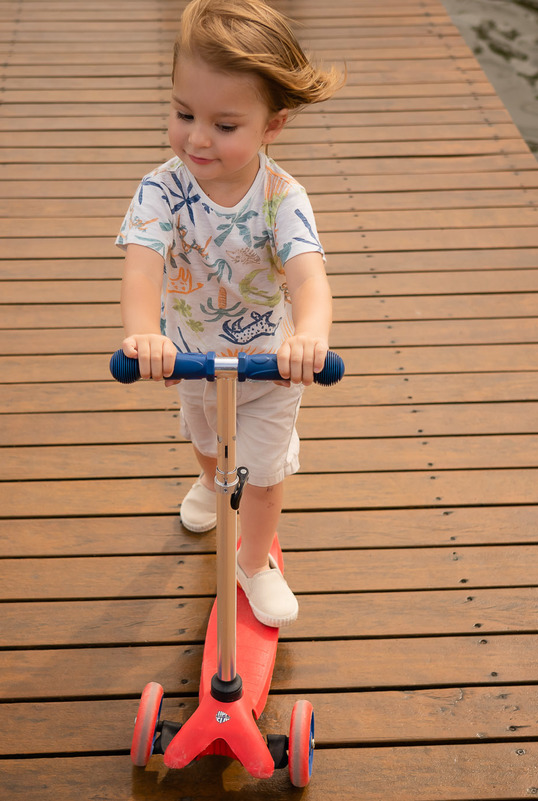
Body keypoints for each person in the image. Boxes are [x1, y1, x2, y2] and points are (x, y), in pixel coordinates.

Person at [116, 0, 344, 627]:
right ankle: (211, 486)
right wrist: (142, 335)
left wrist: (310, 338)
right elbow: (142, 269)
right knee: (208, 442)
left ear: (273, 126)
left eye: (224, 124)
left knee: (265, 475)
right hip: (191, 357)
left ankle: (252, 561)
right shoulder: (161, 189)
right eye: (184, 113)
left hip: (271, 365)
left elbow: (308, 280)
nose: (196, 137)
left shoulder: (282, 199)